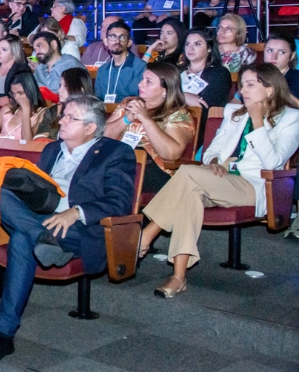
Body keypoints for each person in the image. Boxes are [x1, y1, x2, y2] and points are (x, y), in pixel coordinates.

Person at [0, 96, 137, 362]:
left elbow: (120, 202)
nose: (62, 121)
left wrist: (76, 212)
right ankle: (41, 237)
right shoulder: (51, 150)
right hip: (40, 220)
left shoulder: (115, 153)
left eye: (71, 118)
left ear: (91, 128)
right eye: (63, 115)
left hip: (79, 229)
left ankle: (1, 334)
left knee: (21, 240)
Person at [141, 65, 299, 296]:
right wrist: (213, 159)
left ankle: (147, 233)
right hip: (220, 177)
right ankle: (178, 277)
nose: (243, 90)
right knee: (189, 197)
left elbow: (272, 162)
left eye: (250, 84)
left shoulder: (291, 118)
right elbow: (212, 148)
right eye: (242, 85)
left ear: (270, 89)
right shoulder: (234, 113)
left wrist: (257, 122)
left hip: (254, 184)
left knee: (186, 173)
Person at [104, 63, 195, 194]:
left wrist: (145, 119)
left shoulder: (177, 114)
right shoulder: (129, 103)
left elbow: (171, 154)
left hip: (153, 170)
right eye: (142, 79)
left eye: (148, 82)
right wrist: (127, 118)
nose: (140, 84)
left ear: (164, 90)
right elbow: (104, 138)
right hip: (119, 161)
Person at [179, 28, 232, 115]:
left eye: (197, 44)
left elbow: (205, 105)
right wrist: (183, 96)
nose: (190, 48)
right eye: (187, 44)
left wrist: (176, 97)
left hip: (200, 123)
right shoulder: (176, 71)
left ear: (209, 48)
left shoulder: (219, 73)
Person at [0, 72, 53, 140]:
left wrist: (26, 109)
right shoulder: (7, 108)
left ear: (31, 91)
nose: (16, 97)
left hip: (19, 149)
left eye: (20, 93)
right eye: (13, 93)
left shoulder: (43, 113)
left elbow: (28, 142)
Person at [94, 21, 147, 102]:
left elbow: (136, 99)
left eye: (122, 37)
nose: (117, 41)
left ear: (129, 42)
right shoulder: (102, 70)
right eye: (112, 37)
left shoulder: (140, 67)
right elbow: (97, 99)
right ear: (106, 41)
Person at [263, 33, 299, 98]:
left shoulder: (297, 78)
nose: (274, 57)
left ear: (292, 56)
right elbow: (239, 101)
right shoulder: (255, 75)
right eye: (270, 50)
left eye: (281, 52)